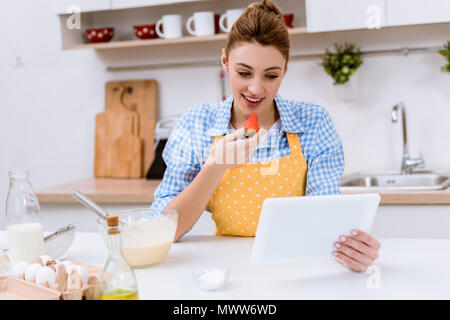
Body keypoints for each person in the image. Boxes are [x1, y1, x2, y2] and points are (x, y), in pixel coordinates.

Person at [151, 0, 380, 272]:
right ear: (225, 61)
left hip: (295, 269)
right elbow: (162, 230)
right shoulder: (196, 124)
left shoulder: (313, 122)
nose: (256, 89)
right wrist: (216, 166)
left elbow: (325, 218)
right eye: (244, 73)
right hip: (227, 271)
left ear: (285, 69)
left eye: (271, 75)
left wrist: (351, 249)